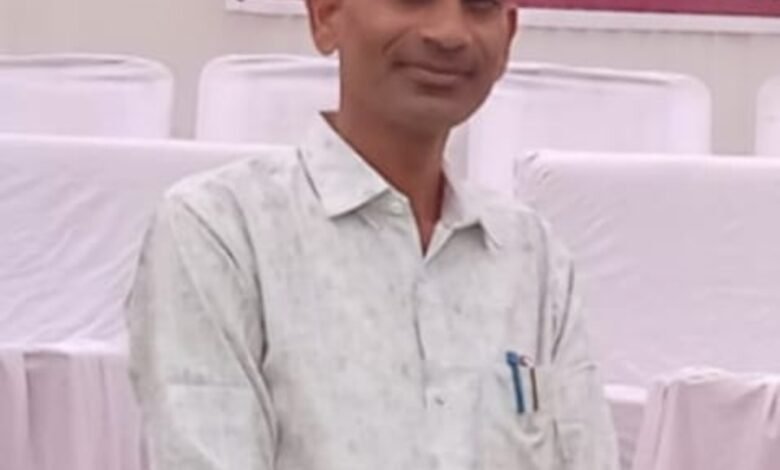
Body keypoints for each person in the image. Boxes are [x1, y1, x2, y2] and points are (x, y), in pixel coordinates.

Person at [127, 0, 618, 468]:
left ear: (508, 36)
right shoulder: (221, 230)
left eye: (480, 5)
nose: (448, 33)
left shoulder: (531, 254)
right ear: (326, 15)